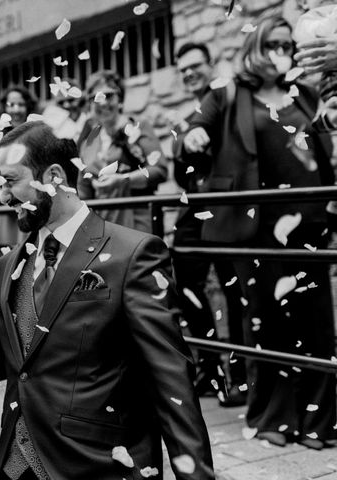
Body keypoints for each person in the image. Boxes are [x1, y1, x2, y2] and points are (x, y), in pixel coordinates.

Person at [0, 121, 214, 480]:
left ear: (54, 176)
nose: (3, 195)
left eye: (10, 181)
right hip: (15, 466)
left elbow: (170, 380)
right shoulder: (7, 266)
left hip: (99, 465)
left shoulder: (133, 254)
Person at [182, 14, 336, 449]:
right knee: (268, 326)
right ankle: (274, 419)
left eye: (288, 44)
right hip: (257, 230)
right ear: (256, 47)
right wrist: (194, 136)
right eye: (273, 42)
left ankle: (320, 423)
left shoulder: (305, 94)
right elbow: (189, 129)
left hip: (310, 225)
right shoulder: (230, 94)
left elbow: (321, 138)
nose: (281, 51)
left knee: (317, 326)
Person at [171, 42, 246, 407]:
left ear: (210, 64)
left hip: (228, 209)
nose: (189, 73)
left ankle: (241, 377)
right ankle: (211, 369)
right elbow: (177, 172)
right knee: (185, 286)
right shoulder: (185, 118)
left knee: (235, 291)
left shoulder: (230, 103)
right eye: (182, 68)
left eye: (195, 66)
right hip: (193, 213)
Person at [77, 70, 168, 233]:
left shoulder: (138, 127)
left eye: (109, 96)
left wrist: (124, 180)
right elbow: (83, 189)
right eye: (96, 98)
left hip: (137, 221)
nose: (103, 103)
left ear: (120, 99)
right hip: (103, 226)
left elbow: (160, 171)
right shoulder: (89, 141)